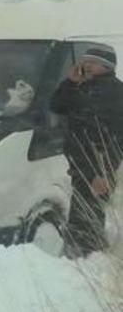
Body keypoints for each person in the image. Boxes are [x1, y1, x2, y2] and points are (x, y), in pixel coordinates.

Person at [50, 48, 123, 256]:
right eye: (85, 61)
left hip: (98, 163)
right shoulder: (81, 87)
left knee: (88, 210)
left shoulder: (117, 92)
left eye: (92, 62)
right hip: (81, 161)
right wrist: (70, 82)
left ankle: (86, 255)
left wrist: (103, 173)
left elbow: (120, 137)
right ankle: (86, 252)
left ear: (106, 66)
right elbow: (56, 106)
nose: (86, 65)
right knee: (83, 207)